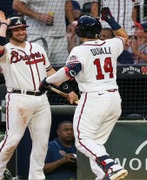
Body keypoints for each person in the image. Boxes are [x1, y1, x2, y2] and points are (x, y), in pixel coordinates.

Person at [0, 11, 78, 180]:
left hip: (41, 99)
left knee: (41, 143)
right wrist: (4, 24)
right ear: (10, 32)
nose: (21, 32)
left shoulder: (37, 48)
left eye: (23, 29)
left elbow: (50, 72)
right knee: (12, 140)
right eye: (17, 29)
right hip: (19, 99)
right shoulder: (6, 51)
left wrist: (68, 90)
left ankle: (36, 177)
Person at [39, 7, 128, 180]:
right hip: (114, 100)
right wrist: (110, 19)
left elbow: (69, 72)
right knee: (95, 143)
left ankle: (111, 166)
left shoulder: (80, 50)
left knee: (81, 141)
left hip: (94, 99)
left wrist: (47, 81)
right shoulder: (111, 44)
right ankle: (103, 175)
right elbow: (124, 37)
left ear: (80, 31)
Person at [12, 0, 76, 65]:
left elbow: (67, 3)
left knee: (61, 70)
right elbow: (16, 4)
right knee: (38, 70)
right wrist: (38, 16)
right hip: (37, 37)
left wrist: (72, 22)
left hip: (59, 38)